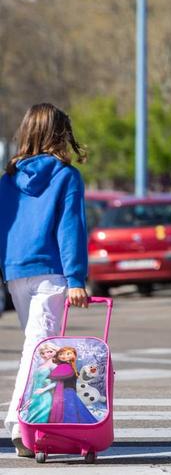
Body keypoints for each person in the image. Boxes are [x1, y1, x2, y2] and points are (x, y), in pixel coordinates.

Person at [0, 103, 90, 457]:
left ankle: (32, 426)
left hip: (15, 271)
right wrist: (77, 277)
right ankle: (19, 425)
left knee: (38, 348)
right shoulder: (65, 176)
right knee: (38, 349)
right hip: (51, 272)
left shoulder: (8, 179)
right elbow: (71, 229)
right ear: (61, 133)